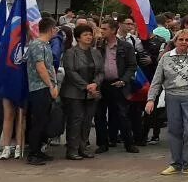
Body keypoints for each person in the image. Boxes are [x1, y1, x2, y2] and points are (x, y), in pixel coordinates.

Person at [146, 29, 188, 175]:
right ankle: (175, 163)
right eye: (181, 40)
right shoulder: (166, 57)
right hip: (172, 96)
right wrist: (151, 99)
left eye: (187, 40)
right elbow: (157, 80)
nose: (184, 43)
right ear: (175, 41)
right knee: (174, 130)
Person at [60, 23, 103, 160]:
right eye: (85, 35)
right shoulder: (70, 52)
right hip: (74, 92)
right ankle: (72, 150)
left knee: (87, 121)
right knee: (75, 121)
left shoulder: (96, 52)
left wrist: (95, 84)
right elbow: (71, 72)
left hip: (92, 92)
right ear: (78, 37)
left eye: (90, 34)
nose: (89, 37)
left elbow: (101, 71)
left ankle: (83, 147)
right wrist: (86, 86)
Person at [96, 19, 139, 153]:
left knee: (122, 114)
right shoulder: (98, 45)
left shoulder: (126, 46)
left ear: (113, 30)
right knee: (99, 115)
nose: (101, 31)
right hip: (102, 84)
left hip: (118, 83)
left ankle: (129, 142)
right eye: (101, 28)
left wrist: (124, 80)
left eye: (105, 29)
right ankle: (103, 143)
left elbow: (132, 66)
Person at [23, 17, 60, 166]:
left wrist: (54, 84)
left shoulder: (46, 45)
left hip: (46, 87)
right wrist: (51, 85)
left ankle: (39, 150)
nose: (56, 31)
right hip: (39, 88)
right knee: (38, 121)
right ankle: (33, 153)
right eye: (55, 28)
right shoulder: (37, 45)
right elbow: (41, 67)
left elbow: (50, 67)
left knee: (44, 120)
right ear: (51, 29)